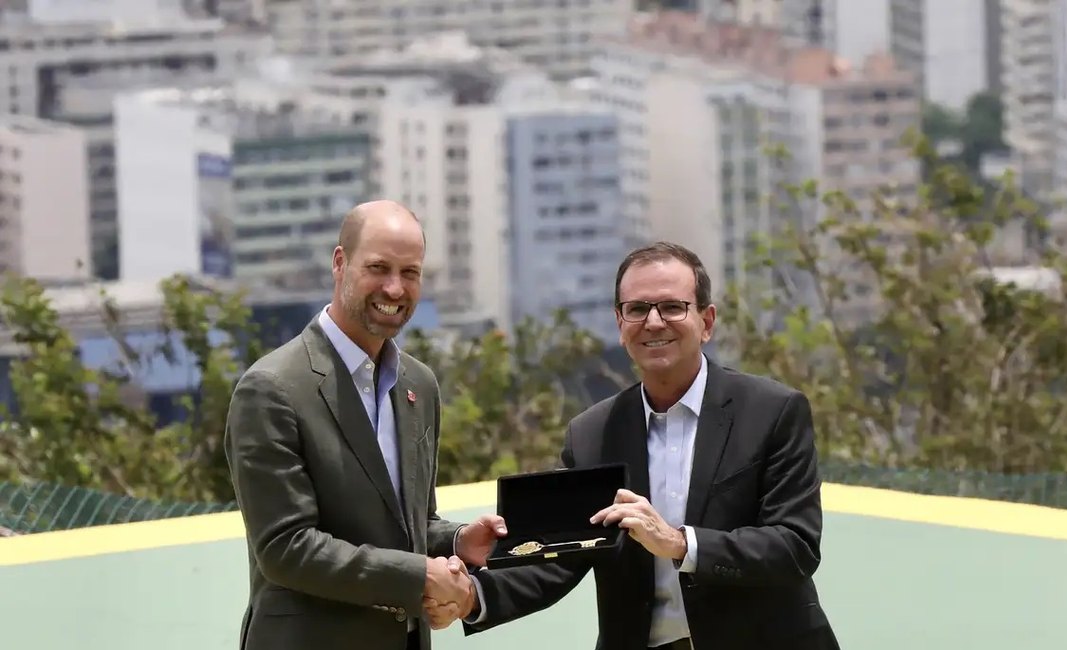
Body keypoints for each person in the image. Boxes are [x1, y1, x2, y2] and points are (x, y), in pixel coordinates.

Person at [434, 242, 840, 650]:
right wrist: (470, 595)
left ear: (707, 321)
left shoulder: (772, 411)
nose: (654, 322)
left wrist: (681, 543)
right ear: (619, 323)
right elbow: (558, 557)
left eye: (672, 307)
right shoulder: (592, 434)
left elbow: (795, 545)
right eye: (637, 309)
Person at [224, 200, 505, 650]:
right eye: (378, 268)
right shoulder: (271, 389)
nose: (395, 288)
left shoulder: (420, 385)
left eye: (410, 273)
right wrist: (419, 576)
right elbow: (285, 548)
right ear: (340, 263)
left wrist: (456, 542)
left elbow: (406, 525)